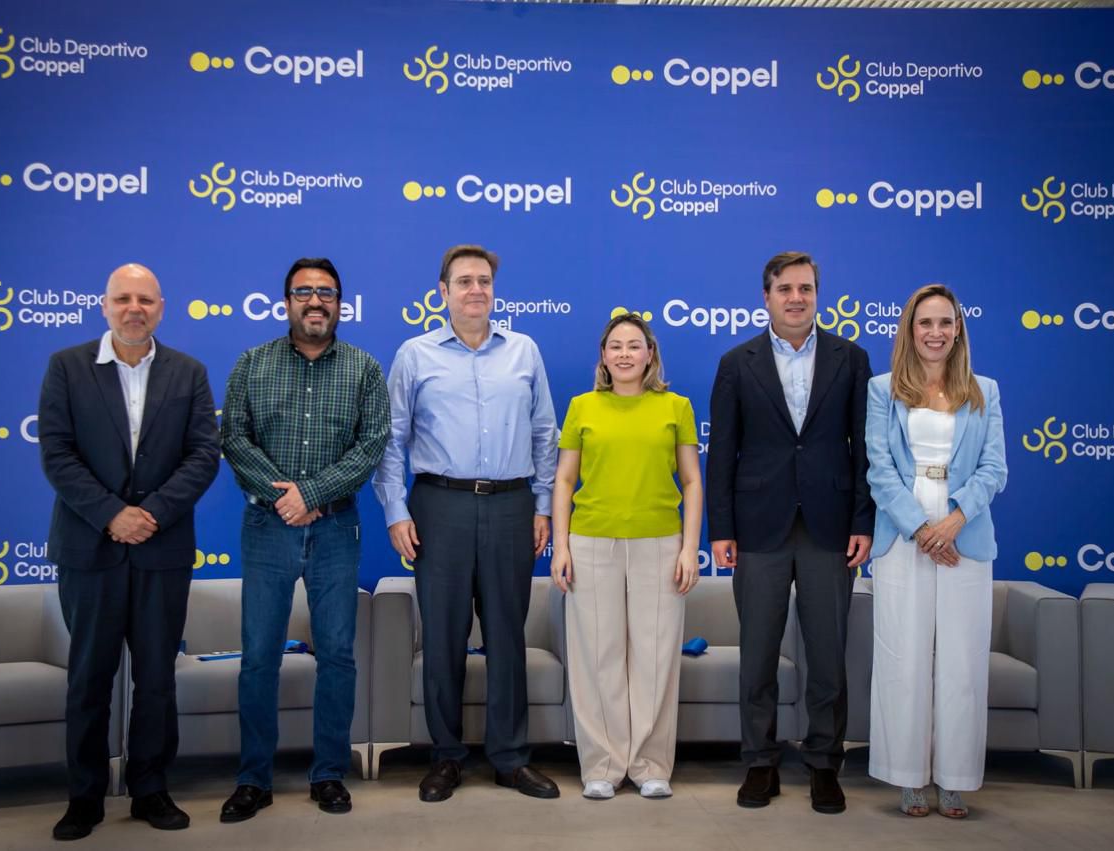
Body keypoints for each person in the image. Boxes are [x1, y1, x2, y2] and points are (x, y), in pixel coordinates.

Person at [38, 263, 220, 841]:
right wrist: (112, 514)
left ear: (161, 308)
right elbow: (57, 453)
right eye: (123, 299)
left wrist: (152, 515)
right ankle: (84, 797)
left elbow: (203, 455)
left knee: (157, 678)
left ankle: (150, 789)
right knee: (89, 679)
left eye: (144, 299)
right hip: (89, 549)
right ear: (104, 305)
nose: (133, 309)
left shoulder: (188, 373)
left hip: (162, 550)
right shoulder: (66, 367)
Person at [373, 244, 560, 802]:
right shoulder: (415, 354)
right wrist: (396, 510)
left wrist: (543, 506)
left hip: (511, 506)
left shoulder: (524, 351)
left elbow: (544, 433)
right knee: (444, 637)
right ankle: (447, 758)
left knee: (506, 636)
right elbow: (392, 440)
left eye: (484, 281)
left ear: (493, 290)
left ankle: (510, 758)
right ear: (443, 291)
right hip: (440, 505)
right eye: (464, 281)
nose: (476, 290)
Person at [219, 257, 389, 821]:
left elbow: (371, 445)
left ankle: (329, 774)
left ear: (340, 302)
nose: (315, 301)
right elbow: (234, 438)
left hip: (336, 528)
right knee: (259, 657)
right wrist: (284, 499)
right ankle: (253, 779)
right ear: (287, 301)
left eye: (326, 292)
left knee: (336, 654)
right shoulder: (252, 363)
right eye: (304, 292)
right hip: (267, 528)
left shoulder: (364, 369)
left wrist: (312, 494)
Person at [707, 251, 874, 814]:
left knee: (828, 657)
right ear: (767, 296)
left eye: (805, 288)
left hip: (831, 527)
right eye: (785, 289)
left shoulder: (851, 359)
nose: (796, 298)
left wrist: (863, 521)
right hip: (759, 527)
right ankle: (760, 762)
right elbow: (722, 451)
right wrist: (721, 528)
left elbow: (865, 449)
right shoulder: (737, 362)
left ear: (817, 295)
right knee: (757, 654)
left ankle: (824, 765)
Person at [865, 283, 1007, 819]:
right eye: (925, 322)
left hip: (965, 533)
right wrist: (922, 530)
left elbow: (995, 468)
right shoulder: (882, 390)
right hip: (903, 534)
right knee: (902, 657)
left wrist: (952, 522)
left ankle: (955, 779)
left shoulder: (984, 390)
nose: (935, 332)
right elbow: (879, 469)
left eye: (945, 322)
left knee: (961, 661)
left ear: (958, 330)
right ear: (910, 329)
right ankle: (907, 777)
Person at [550, 312, 703, 800]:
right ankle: (602, 766)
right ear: (603, 356)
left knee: (655, 658)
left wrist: (690, 548)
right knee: (598, 657)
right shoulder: (582, 407)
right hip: (591, 543)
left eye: (634, 345)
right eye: (615, 346)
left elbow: (692, 481)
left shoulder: (676, 407)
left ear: (650, 354)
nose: (624, 354)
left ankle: (650, 765)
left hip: (660, 544)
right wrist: (561, 545)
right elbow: (564, 481)